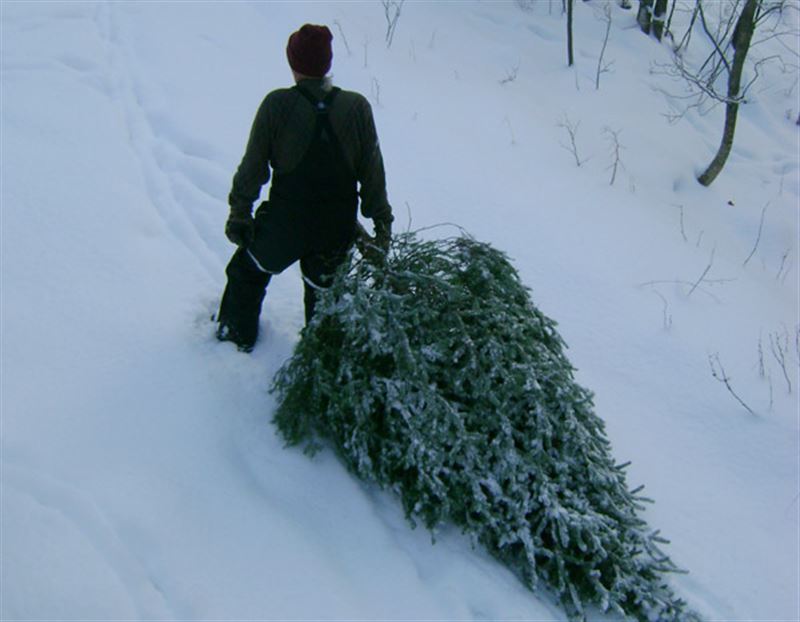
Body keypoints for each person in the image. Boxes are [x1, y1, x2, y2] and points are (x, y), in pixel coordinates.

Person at [216, 24, 393, 352]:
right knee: (325, 299)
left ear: (292, 62)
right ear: (328, 63)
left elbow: (253, 169)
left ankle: (232, 346)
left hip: (285, 225)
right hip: (336, 230)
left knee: (246, 273)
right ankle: (320, 365)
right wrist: (382, 226)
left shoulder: (277, 105)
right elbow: (373, 174)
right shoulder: (357, 108)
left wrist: (240, 214)